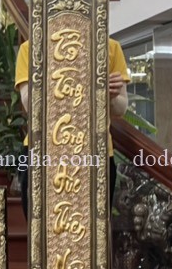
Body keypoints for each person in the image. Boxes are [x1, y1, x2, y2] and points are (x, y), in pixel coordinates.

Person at [14, 37, 129, 218]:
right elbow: (30, 104)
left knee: (94, 227)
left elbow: (120, 108)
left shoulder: (110, 47)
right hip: (42, 150)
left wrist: (110, 95)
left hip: (95, 151)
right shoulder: (31, 48)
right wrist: (67, 78)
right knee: (40, 225)